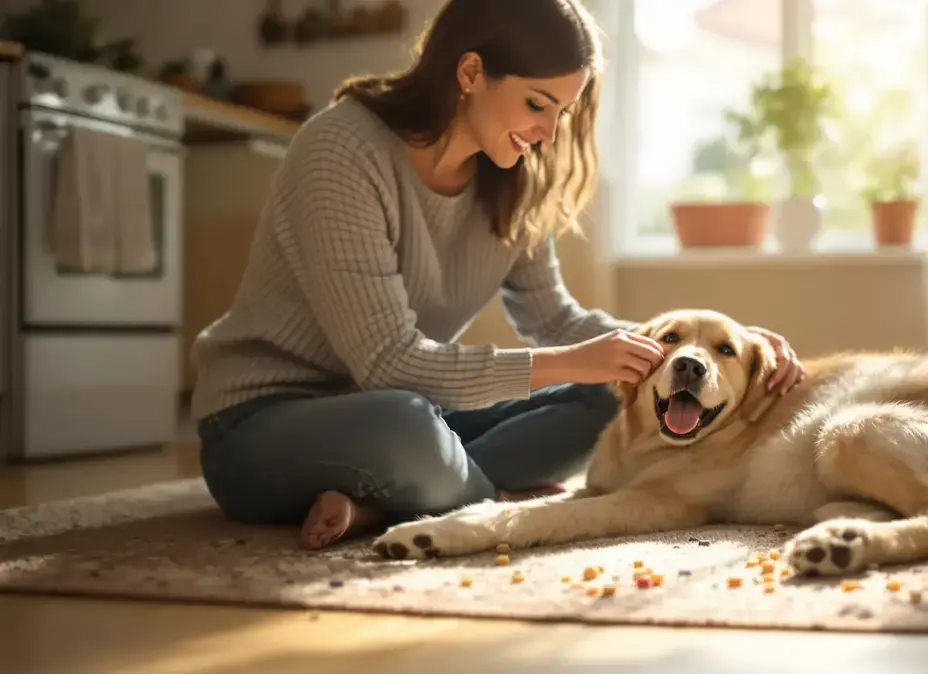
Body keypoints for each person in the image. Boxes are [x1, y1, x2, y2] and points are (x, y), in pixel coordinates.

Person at [189, 0, 807, 551]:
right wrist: (573, 361)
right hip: (260, 424)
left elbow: (558, 321)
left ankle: (389, 501)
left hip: (408, 409)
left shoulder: (513, 180)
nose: (549, 131)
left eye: (562, 112)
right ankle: (438, 490)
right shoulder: (342, 151)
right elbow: (388, 362)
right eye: (538, 104)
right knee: (406, 424)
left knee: (607, 394)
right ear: (470, 73)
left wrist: (721, 349)